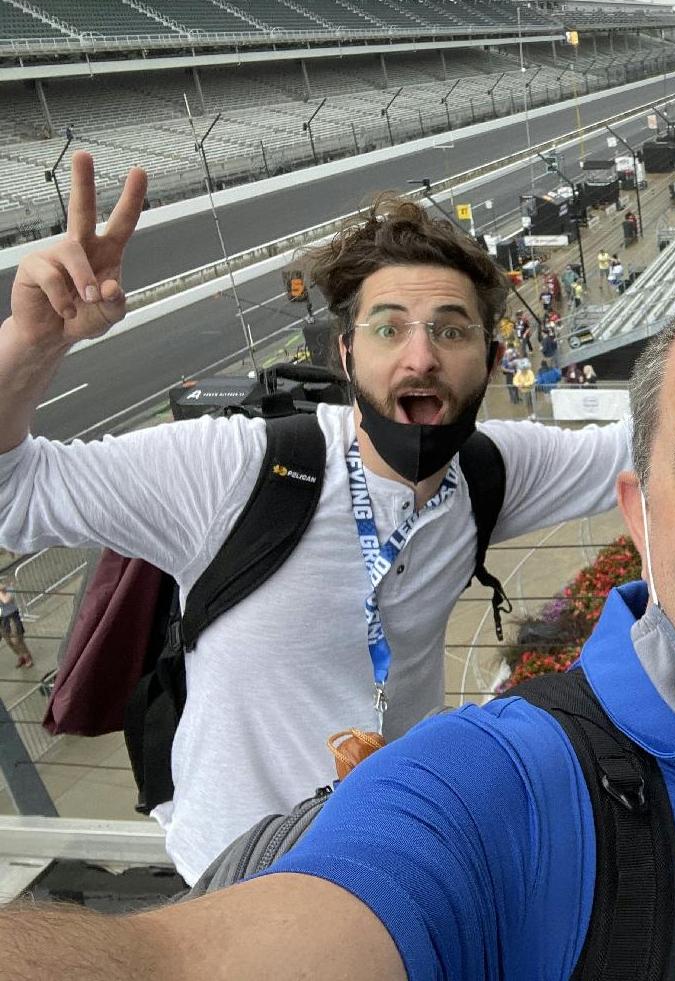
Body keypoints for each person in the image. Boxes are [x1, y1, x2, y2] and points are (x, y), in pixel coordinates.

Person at [0, 281, 675, 981]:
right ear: (641, 519)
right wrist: (28, 356)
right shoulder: (502, 789)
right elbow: (180, 963)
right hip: (253, 832)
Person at [0, 152, 634, 884]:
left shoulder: (489, 471)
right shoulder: (231, 468)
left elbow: (647, 449)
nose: (421, 357)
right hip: (236, 877)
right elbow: (15, 495)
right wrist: (31, 348)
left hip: (396, 863)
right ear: (345, 352)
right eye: (389, 329)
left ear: (490, 361)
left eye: (451, 331)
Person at [0, 578, 34, 668]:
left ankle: (27, 656)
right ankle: (20, 656)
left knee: (17, 639)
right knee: (8, 641)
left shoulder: (9, 590)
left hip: (12, 617)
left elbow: (6, 600)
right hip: (2, 619)